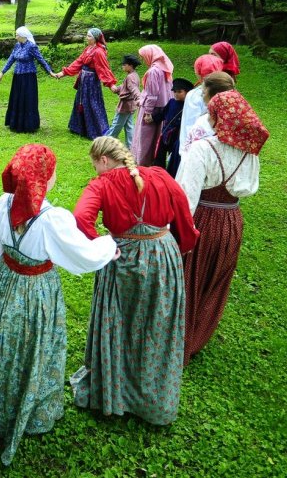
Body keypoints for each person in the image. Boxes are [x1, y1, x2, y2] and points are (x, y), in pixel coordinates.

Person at [0, 144, 117, 466]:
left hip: (4, 285)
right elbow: (83, 255)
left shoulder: (3, 204)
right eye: (52, 172)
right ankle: (25, 405)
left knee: (1, 345)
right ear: (44, 179)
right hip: (36, 293)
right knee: (32, 346)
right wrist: (109, 245)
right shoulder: (53, 220)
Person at [70, 136, 198, 425]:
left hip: (122, 257)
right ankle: (152, 399)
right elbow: (184, 216)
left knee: (119, 322)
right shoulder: (160, 175)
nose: (95, 172)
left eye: (95, 166)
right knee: (155, 324)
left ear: (104, 160)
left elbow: (80, 219)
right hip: (162, 257)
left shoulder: (101, 184)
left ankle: (117, 393)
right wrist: (183, 245)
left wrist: (103, 245)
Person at [175, 91, 269, 364]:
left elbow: (186, 198)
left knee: (188, 278)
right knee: (213, 282)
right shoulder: (250, 154)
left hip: (202, 220)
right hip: (231, 222)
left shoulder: (203, 149)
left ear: (218, 118)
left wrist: (178, 233)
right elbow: (249, 188)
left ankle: (178, 340)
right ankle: (197, 337)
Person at [52, 28, 119, 139]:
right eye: (87, 35)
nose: (86, 38)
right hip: (84, 82)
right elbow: (78, 63)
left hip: (92, 83)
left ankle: (97, 130)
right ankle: (79, 128)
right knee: (81, 102)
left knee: (93, 104)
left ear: (95, 38)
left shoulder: (98, 52)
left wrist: (110, 84)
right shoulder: (88, 49)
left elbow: (103, 69)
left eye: (89, 36)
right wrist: (63, 73)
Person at [0, 26, 54, 133]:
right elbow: (11, 59)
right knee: (17, 98)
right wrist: (2, 73)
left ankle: (28, 124)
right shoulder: (17, 45)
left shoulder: (31, 46)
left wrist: (50, 72)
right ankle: (16, 123)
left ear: (23, 36)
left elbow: (41, 59)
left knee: (27, 99)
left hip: (28, 77)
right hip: (18, 76)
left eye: (17, 35)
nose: (15, 36)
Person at [132, 44, 174, 166]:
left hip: (152, 109)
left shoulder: (153, 71)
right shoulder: (165, 68)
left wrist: (148, 112)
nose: (142, 59)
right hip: (162, 109)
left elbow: (152, 94)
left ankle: (143, 162)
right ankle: (154, 161)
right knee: (156, 137)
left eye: (143, 56)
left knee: (145, 138)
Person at [180, 71, 236, 153]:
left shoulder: (203, 123)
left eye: (204, 92)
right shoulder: (241, 120)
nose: (202, 96)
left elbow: (189, 152)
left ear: (214, 95)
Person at [179, 54, 224, 148]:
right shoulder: (227, 92)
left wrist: (186, 149)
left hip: (197, 147)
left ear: (199, 72)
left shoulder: (194, 95)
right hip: (219, 146)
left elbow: (190, 125)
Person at [154, 78, 194, 177]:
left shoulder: (189, 106)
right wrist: (152, 118)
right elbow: (163, 114)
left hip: (177, 136)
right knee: (159, 156)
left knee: (174, 158)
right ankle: (158, 173)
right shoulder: (171, 102)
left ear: (187, 92)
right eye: (174, 91)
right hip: (166, 133)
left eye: (179, 92)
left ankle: (171, 176)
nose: (176, 94)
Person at [105, 54, 142, 148]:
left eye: (124, 64)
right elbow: (125, 87)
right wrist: (116, 89)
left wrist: (139, 99)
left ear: (130, 65)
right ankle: (132, 148)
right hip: (131, 106)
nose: (123, 66)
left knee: (115, 126)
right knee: (129, 128)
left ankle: (105, 146)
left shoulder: (130, 77)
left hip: (125, 106)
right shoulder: (134, 75)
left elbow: (134, 89)